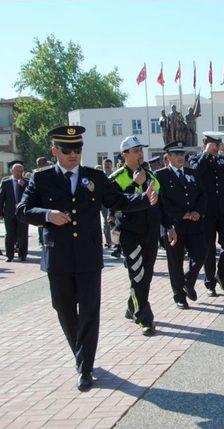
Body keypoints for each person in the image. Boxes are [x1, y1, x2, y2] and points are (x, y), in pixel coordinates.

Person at [16, 126, 157, 391]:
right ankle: (80, 354)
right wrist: (47, 215)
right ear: (55, 151)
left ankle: (85, 366)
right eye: (67, 150)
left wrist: (143, 199)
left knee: (90, 312)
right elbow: (23, 209)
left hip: (89, 257)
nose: (73, 155)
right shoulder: (42, 178)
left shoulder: (94, 176)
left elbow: (117, 200)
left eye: (77, 149)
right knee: (64, 310)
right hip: (58, 258)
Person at [108, 136, 161, 336]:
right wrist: (134, 185)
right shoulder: (117, 178)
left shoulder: (150, 176)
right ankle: (144, 318)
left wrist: (167, 226)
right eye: (135, 150)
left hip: (151, 233)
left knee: (145, 277)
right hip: (131, 235)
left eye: (141, 150)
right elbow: (115, 203)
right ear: (125, 155)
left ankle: (133, 306)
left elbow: (158, 203)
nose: (140, 153)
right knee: (138, 276)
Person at [156, 141, 207, 308]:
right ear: (168, 156)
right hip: (173, 225)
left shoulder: (192, 173)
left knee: (200, 255)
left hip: (194, 224)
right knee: (175, 262)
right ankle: (179, 295)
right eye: (176, 154)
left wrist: (198, 211)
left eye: (182, 154)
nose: (180, 157)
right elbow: (162, 202)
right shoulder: (160, 176)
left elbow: (202, 195)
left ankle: (188, 280)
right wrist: (181, 214)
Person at [192, 131, 224, 295]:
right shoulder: (197, 158)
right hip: (207, 212)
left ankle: (221, 275)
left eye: (218, 145)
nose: (217, 148)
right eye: (214, 145)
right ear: (206, 144)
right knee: (209, 249)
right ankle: (210, 283)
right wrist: (205, 154)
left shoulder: (223, 159)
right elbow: (196, 173)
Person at [0, 161, 29, 261]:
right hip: (9, 213)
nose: (19, 173)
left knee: (23, 234)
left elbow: (31, 196)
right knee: (10, 235)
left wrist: (24, 186)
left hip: (23, 212)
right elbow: (1, 198)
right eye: (17, 171)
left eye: (21, 171)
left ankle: (22, 255)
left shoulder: (27, 182)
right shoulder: (5, 183)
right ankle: (9, 256)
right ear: (12, 171)